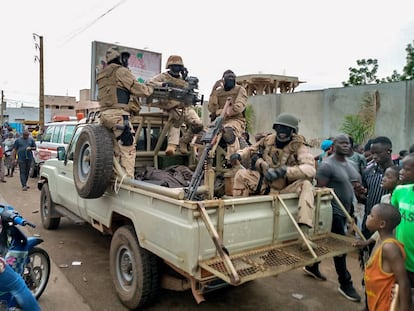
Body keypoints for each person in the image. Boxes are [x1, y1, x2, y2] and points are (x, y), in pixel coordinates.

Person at [232, 113, 317, 249]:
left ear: (293, 131)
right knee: (241, 174)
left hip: (286, 188)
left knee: (306, 185)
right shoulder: (268, 140)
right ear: (275, 128)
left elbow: (310, 169)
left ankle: (304, 235)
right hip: (267, 183)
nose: (282, 132)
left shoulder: (299, 146)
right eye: (279, 128)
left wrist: (285, 171)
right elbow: (251, 149)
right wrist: (240, 154)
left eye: (286, 129)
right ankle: (237, 216)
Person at [304, 134, 362, 302]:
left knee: (325, 242)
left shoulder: (352, 164)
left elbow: (353, 185)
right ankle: (345, 283)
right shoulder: (327, 166)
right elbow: (319, 191)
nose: (345, 145)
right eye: (341, 143)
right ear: (333, 146)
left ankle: (312, 266)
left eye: (347, 143)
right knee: (340, 248)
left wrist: (358, 190)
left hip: (346, 211)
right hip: (333, 213)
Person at [96, 46, 154, 178]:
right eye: (125, 58)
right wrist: (151, 87)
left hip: (105, 116)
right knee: (128, 150)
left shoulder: (102, 74)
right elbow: (142, 90)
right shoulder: (121, 71)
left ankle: (116, 181)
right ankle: (128, 185)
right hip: (118, 116)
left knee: (115, 152)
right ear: (120, 58)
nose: (127, 61)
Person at [147, 55, 203, 155]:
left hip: (184, 106)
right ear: (169, 66)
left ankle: (184, 141)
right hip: (170, 106)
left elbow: (191, 91)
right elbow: (149, 83)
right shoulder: (164, 76)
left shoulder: (183, 79)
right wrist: (163, 84)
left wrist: (187, 80)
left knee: (198, 124)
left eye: (178, 66)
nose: (176, 68)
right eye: (174, 66)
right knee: (176, 119)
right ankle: (172, 146)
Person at [361, 203, 411, 311]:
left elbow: (403, 282)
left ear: (382, 224)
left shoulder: (389, 248)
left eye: (371, 215)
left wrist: (404, 308)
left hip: (385, 306)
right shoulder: (380, 239)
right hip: (375, 302)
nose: (368, 217)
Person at [357, 136, 395, 242]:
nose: (374, 157)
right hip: (369, 222)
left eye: (377, 153)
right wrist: (359, 193)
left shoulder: (398, 174)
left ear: (389, 151)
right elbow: (364, 198)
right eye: (372, 153)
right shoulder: (368, 172)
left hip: (388, 227)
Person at [208, 70, 248, 160]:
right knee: (204, 134)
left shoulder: (240, 90)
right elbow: (211, 108)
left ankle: (234, 161)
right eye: (228, 78)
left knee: (228, 131)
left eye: (232, 78)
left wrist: (218, 112)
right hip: (219, 121)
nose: (230, 80)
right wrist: (213, 91)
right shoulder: (218, 92)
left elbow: (238, 108)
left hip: (236, 120)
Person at [391, 153, 414, 288]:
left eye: (407, 169)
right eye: (401, 167)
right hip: (400, 261)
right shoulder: (400, 191)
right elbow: (391, 221)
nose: (401, 171)